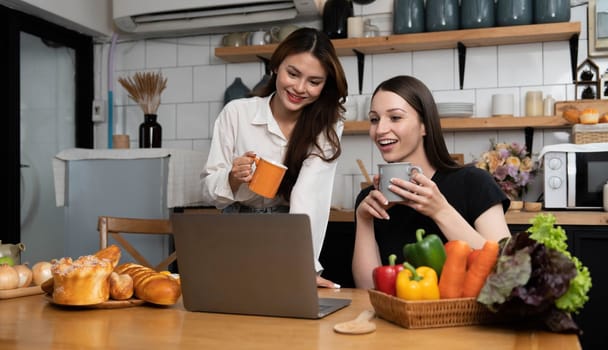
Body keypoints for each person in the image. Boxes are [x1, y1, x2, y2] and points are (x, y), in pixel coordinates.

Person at [201, 28, 348, 289]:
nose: (300, 88)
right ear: (276, 66)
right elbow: (209, 191)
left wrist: (305, 266)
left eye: (314, 81)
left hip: (286, 231)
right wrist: (233, 179)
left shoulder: (327, 125)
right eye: (293, 74)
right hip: (234, 229)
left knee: (283, 319)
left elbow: (309, 196)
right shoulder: (237, 113)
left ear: (325, 85)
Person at [351, 75, 511, 289]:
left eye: (395, 118)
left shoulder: (474, 183)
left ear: (424, 126)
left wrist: (440, 210)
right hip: (395, 320)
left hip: (470, 320)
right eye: (374, 119)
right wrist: (363, 220)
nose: (380, 129)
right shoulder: (370, 200)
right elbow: (367, 290)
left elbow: (508, 270)